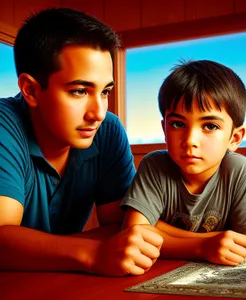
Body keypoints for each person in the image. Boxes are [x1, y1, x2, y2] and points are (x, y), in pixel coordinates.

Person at [0, 7, 163, 277]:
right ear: (30, 90)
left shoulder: (108, 130)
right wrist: (94, 253)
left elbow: (124, 227)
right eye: (79, 91)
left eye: (105, 91)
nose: (98, 113)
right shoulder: (4, 124)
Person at [121, 60, 246, 266]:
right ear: (164, 129)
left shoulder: (239, 170)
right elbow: (134, 233)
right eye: (177, 124)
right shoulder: (154, 166)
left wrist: (157, 228)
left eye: (210, 126)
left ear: (235, 138)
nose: (191, 140)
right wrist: (205, 246)